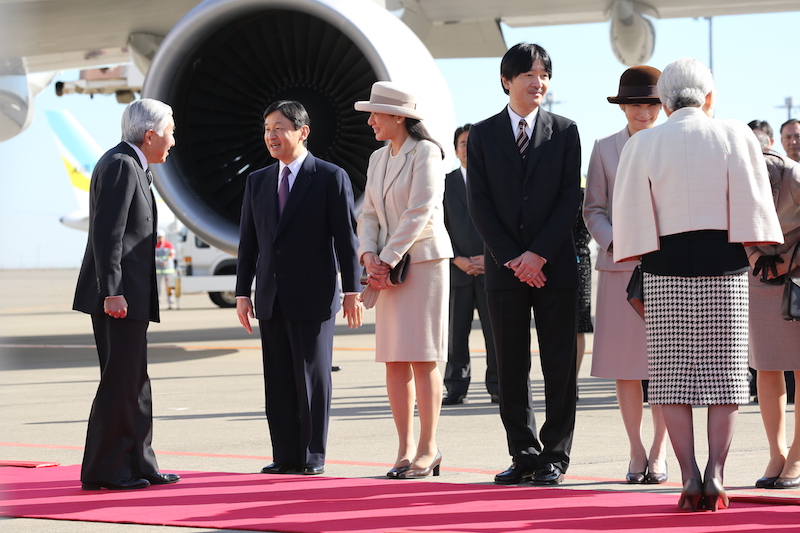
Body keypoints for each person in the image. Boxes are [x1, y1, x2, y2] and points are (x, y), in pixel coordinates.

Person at [612, 58, 783, 512]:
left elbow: (629, 212)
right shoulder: (734, 134)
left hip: (664, 265)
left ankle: (688, 475)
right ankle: (717, 475)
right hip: (724, 264)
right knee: (725, 377)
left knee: (671, 378)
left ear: (665, 102)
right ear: (708, 97)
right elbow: (753, 203)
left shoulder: (644, 143)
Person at [467, 43, 581, 486]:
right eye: (529, 75)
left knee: (558, 367)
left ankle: (555, 455)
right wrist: (515, 259)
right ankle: (524, 453)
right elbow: (479, 205)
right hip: (505, 270)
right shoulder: (482, 134)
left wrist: (539, 254)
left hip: (554, 268)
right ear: (506, 81)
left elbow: (569, 199)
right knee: (510, 367)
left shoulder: (566, 131)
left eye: (544, 75)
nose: (538, 82)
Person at [235, 100, 363, 476]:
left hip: (314, 295)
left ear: (302, 131)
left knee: (312, 378)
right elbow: (249, 243)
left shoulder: (328, 176)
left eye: (279, 128)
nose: (270, 136)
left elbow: (346, 238)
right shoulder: (257, 180)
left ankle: (312, 456)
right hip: (270, 298)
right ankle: (285, 455)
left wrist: (352, 291)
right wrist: (243, 292)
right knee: (277, 380)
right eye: (266, 129)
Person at [73, 98, 180, 490]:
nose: (173, 140)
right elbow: (108, 234)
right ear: (150, 134)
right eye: (171, 131)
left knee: (135, 381)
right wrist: (112, 292)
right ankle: (108, 471)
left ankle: (139, 462)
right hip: (117, 299)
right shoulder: (121, 164)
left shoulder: (136, 164)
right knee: (120, 383)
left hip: (131, 297)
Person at [354, 81, 453, 479]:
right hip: (386, 269)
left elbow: (419, 210)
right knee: (394, 359)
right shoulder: (377, 158)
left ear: (400, 117)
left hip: (424, 265)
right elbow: (368, 215)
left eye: (376, 113)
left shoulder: (426, 152)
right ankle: (405, 447)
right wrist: (367, 254)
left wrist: (386, 260)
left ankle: (429, 448)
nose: (371, 121)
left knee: (423, 357)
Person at [583, 65, 669, 484]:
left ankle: (660, 449)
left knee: (668, 367)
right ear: (622, 107)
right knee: (626, 367)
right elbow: (592, 209)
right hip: (619, 270)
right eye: (636, 103)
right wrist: (615, 243)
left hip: (669, 269)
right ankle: (636, 449)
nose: (644, 111)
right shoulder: (603, 148)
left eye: (652, 103)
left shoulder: (675, 145)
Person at [745, 124, 800, 490]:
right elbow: (732, 226)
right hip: (759, 277)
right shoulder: (735, 178)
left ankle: (797, 454)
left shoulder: (794, 175)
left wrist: (789, 262)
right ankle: (776, 452)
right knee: (766, 366)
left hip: (798, 276)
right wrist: (752, 257)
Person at [442, 123, 498, 405]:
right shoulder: (444, 183)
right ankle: (456, 386)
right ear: (456, 150)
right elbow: (437, 226)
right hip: (457, 271)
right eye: (463, 143)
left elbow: (506, 225)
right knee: (456, 333)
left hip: (492, 270)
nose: (468, 148)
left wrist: (491, 258)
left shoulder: (496, 183)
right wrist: (457, 259)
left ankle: (498, 386)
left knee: (496, 333)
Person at [155, 229, 177, 309]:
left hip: (168, 270)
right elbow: (154, 256)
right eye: (159, 237)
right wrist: (159, 261)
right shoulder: (156, 246)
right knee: (158, 287)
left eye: (161, 237)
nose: (160, 239)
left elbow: (172, 255)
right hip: (159, 270)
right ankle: (158, 302)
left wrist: (166, 261)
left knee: (169, 286)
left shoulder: (168, 245)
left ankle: (170, 302)